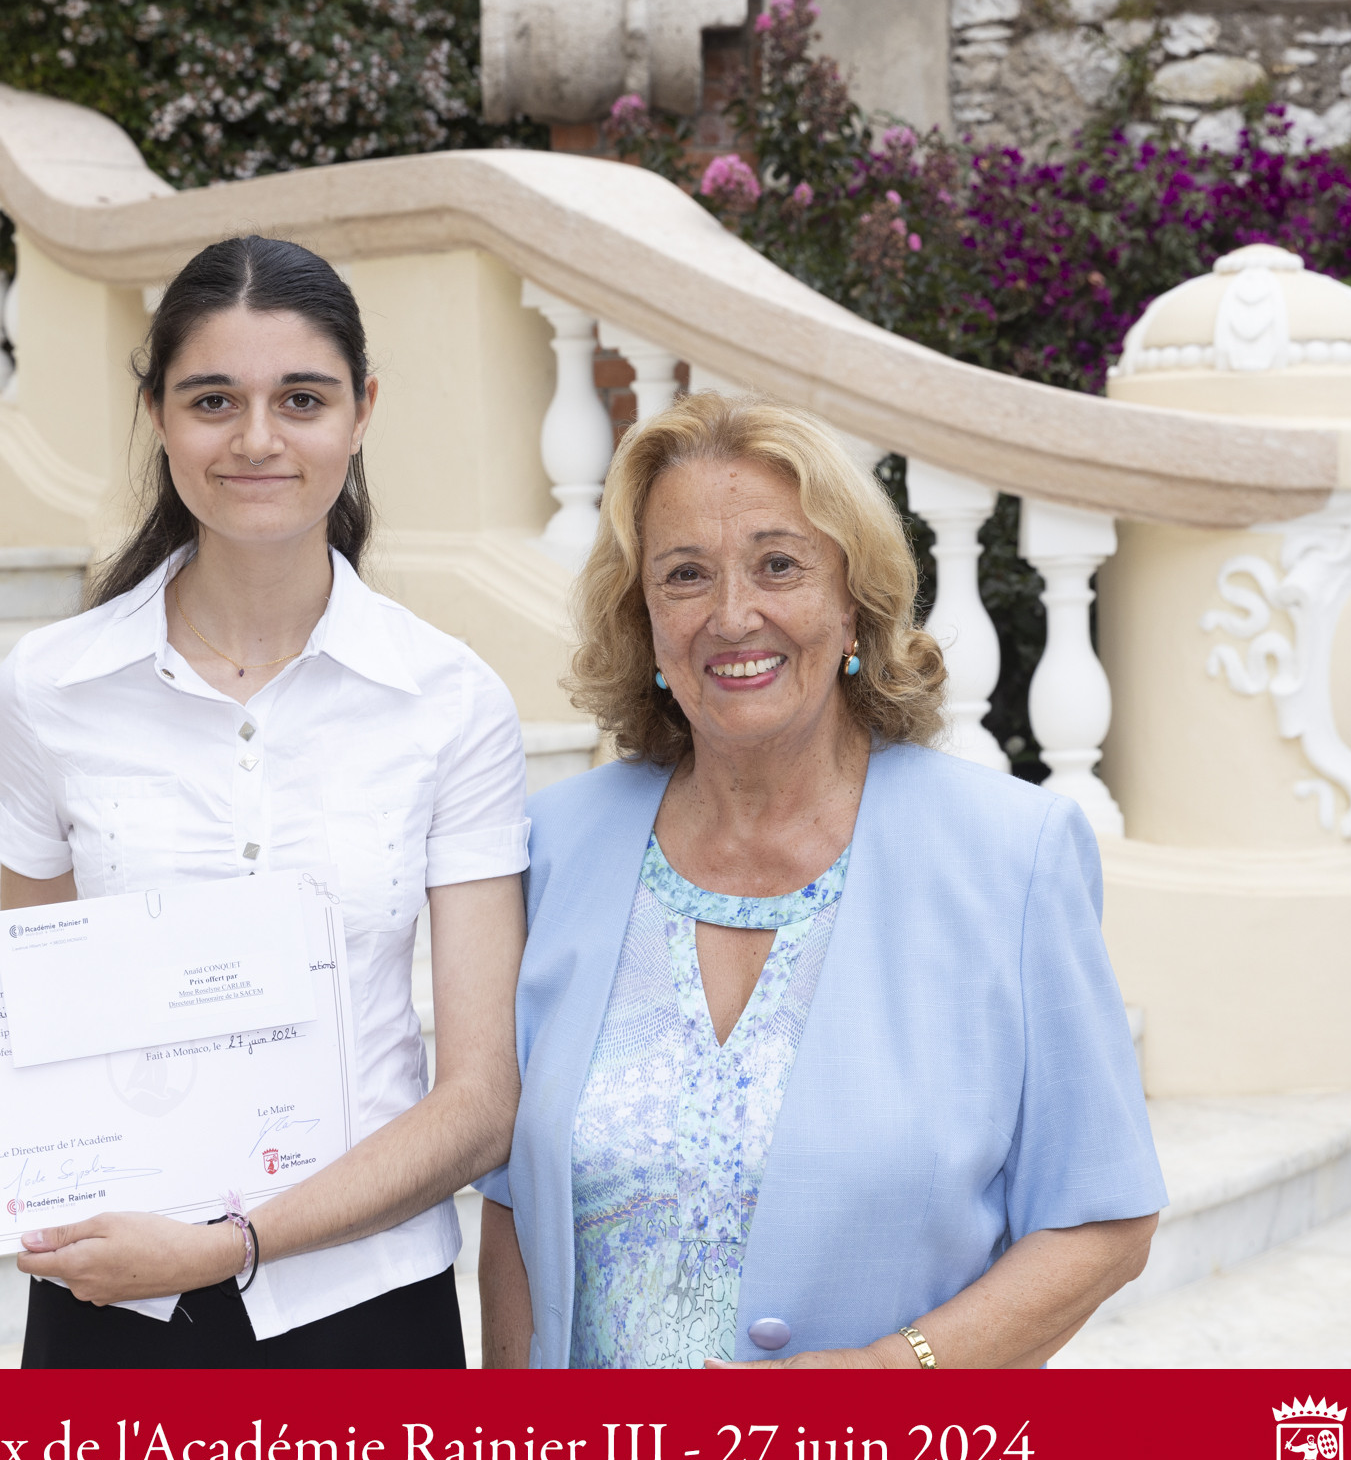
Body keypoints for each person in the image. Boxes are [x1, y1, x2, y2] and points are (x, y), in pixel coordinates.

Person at [0, 235, 527, 1368]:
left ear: (362, 413)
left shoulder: (451, 699)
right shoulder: (50, 687)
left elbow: (480, 1100)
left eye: (302, 399)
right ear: (158, 415)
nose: (257, 438)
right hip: (112, 1300)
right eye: (213, 399)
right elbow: (43, 1011)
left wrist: (229, 1245)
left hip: (367, 1303)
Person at [478, 391, 1165, 1370]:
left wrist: (892, 1371)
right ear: (645, 619)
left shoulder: (1013, 854)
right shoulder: (553, 846)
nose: (732, 615)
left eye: (778, 564)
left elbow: (1104, 1220)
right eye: (684, 574)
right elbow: (513, 1207)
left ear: (853, 604)